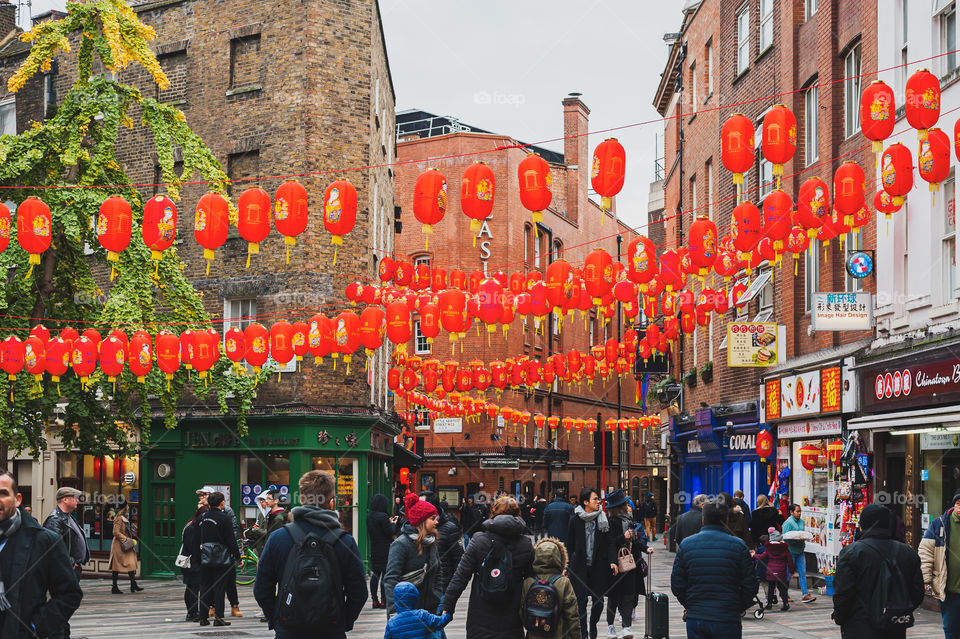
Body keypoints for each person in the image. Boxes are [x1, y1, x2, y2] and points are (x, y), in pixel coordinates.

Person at [254, 470, 367, 638]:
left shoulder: (278, 538)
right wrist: (343, 621)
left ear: (301, 499)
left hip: (289, 630)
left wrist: (277, 619)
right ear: (332, 503)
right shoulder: (346, 541)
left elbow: (262, 589)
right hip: (331, 629)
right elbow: (358, 592)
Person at [0, 470, 83, 639]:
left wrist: (35, 628)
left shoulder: (44, 541)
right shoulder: (57, 520)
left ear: (18, 500)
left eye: (3, 493)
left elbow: (69, 594)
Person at [443, 496, 534, 639]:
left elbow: (461, 576)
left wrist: (448, 605)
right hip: (512, 615)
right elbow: (531, 580)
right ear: (518, 515)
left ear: (494, 513)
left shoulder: (478, 540)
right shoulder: (526, 544)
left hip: (481, 614)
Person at [670, 499, 758, 639]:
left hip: (697, 617)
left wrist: (690, 604)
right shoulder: (739, 546)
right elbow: (751, 585)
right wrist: (736, 607)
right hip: (727, 617)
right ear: (726, 520)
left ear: (703, 520)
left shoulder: (687, 545)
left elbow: (677, 584)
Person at [834, 504, 924, 639]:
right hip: (894, 625)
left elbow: (843, 592)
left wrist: (840, 617)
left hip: (858, 625)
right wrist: (898, 609)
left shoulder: (852, 553)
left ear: (862, 525)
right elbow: (917, 591)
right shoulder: (908, 553)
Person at [566, 488, 616, 639]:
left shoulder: (603, 519)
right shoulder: (574, 520)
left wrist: (613, 561)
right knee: (580, 602)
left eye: (598, 499)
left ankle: (593, 625)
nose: (598, 502)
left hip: (599, 567)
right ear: (586, 502)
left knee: (599, 602)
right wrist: (567, 565)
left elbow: (610, 543)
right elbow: (569, 545)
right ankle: (584, 634)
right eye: (595, 499)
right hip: (580, 567)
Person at [384, 493, 442, 618]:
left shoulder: (431, 542)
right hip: (407, 614)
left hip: (430, 613)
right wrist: (395, 613)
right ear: (421, 521)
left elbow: (438, 573)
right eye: (432, 518)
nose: (436, 522)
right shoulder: (401, 544)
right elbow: (390, 580)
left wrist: (436, 597)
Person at [604, 490, 653, 639]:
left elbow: (634, 541)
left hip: (630, 565)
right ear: (619, 507)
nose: (628, 505)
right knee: (614, 597)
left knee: (628, 596)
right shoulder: (611, 522)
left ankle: (626, 627)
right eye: (625, 503)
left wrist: (645, 548)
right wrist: (622, 538)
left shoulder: (629, 521)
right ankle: (610, 626)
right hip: (616, 565)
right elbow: (609, 543)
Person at [44, 486, 89, 639]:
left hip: (71, 569)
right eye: (74, 497)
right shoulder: (55, 520)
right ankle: (58, 634)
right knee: (63, 603)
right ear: (65, 499)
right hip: (64, 570)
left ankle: (63, 632)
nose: (77, 501)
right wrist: (71, 563)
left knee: (66, 605)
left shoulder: (68, 517)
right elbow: (53, 548)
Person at [197, 485, 243, 617]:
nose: (202, 498)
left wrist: (234, 553)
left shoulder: (226, 513)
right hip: (212, 555)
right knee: (215, 586)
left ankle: (233, 606)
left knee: (227, 583)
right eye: (201, 496)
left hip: (223, 553)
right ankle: (215, 614)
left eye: (204, 495)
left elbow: (232, 533)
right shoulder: (202, 514)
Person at [521, 537, 581, 639]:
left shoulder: (528, 582)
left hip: (534, 635)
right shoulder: (563, 582)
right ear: (559, 558)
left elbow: (521, 612)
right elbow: (572, 616)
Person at [920, 491, 960, 638]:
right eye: (958, 504)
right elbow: (925, 552)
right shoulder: (939, 524)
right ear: (954, 505)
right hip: (948, 589)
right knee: (951, 629)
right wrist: (925, 578)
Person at [384, 581, 452, 639]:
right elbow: (440, 622)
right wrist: (448, 614)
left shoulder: (391, 623)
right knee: (438, 631)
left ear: (396, 600)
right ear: (415, 598)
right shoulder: (422, 615)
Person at [368, 493, 399, 609]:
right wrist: (393, 523)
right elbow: (390, 532)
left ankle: (374, 600)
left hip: (374, 548)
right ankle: (383, 601)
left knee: (375, 574)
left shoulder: (369, 516)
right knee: (385, 575)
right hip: (385, 548)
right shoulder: (383, 517)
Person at [781, 504, 816, 603]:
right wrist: (795, 540)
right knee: (788, 573)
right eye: (797, 511)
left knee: (802, 572)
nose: (799, 513)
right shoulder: (788, 523)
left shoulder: (801, 522)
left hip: (800, 550)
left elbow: (802, 533)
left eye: (800, 511)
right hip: (790, 551)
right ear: (791, 512)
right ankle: (784, 593)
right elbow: (785, 538)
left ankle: (805, 594)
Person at [754, 527, 794, 612]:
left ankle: (769, 604)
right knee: (782, 588)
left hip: (771, 571)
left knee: (771, 587)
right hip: (781, 572)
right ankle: (785, 604)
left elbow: (762, 557)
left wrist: (754, 555)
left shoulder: (768, 548)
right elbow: (790, 560)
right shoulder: (784, 548)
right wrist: (792, 571)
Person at [109, 503, 143, 594]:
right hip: (119, 545)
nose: (128, 508)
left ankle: (133, 584)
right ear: (124, 508)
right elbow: (115, 532)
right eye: (127, 506)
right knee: (116, 566)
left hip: (126, 544)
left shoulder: (124, 517)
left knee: (131, 563)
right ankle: (114, 586)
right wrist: (126, 539)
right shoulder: (119, 518)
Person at [181, 506, 205, 622]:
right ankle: (193, 612)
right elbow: (192, 547)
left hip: (190, 562)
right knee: (193, 588)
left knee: (191, 587)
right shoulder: (192, 529)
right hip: (191, 563)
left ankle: (191, 612)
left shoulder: (191, 526)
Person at [437, 500, 464, 593]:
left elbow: (457, 555)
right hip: (445, 576)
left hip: (445, 578)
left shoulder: (448, 526)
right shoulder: (452, 519)